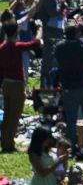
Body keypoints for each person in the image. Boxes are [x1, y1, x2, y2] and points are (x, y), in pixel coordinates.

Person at [55, 22, 83, 156]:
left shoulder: (59, 47)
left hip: (69, 89)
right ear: (77, 34)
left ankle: (72, 147)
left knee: (71, 120)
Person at [0, 18, 42, 152]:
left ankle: (4, 141)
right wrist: (39, 28)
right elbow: (36, 43)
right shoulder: (16, 46)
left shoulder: (2, 48)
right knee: (15, 115)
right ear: (16, 31)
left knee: (7, 115)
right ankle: (9, 145)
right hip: (17, 84)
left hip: (6, 83)